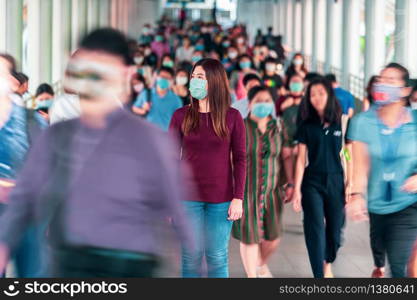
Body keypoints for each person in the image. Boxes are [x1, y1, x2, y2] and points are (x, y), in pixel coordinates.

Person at [0, 28, 193, 278]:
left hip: (132, 263)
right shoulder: (58, 134)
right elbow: (25, 198)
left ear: (126, 75)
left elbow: (174, 205)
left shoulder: (148, 138)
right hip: (73, 262)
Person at [169, 58, 246, 278]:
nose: (194, 81)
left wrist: (238, 197)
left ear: (214, 81)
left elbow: (241, 159)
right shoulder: (181, 116)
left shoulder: (232, 117)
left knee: (217, 256)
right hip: (187, 198)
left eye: (200, 77)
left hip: (221, 199)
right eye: (193, 76)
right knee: (191, 256)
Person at [346, 63, 417, 278]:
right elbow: (359, 166)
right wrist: (356, 196)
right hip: (377, 204)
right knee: (380, 253)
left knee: (400, 265)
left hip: (408, 202)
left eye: (391, 80)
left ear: (405, 90)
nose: (384, 84)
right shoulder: (361, 122)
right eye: (381, 79)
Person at [291, 77, 347, 278]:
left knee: (336, 229)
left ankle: (328, 260)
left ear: (329, 95)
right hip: (312, 181)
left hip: (336, 180)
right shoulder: (306, 124)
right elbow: (300, 159)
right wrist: (296, 189)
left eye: (321, 93)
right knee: (314, 229)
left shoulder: (342, 121)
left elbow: (348, 154)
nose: (316, 98)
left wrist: (350, 185)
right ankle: (319, 276)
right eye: (312, 94)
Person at [232, 86, 288, 278]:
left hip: (272, 191)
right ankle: (252, 276)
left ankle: (260, 264)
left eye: (266, 100)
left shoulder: (279, 127)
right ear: (249, 104)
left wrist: (289, 185)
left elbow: (285, 158)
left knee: (273, 238)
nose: (262, 104)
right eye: (258, 100)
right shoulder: (240, 127)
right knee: (250, 237)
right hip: (246, 190)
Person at [132, 67, 182, 131]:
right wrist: (143, 110)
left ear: (171, 80)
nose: (164, 79)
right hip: (146, 133)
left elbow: (178, 121)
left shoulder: (176, 100)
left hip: (164, 136)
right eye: (162, 77)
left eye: (167, 78)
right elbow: (134, 108)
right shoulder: (146, 93)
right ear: (157, 77)